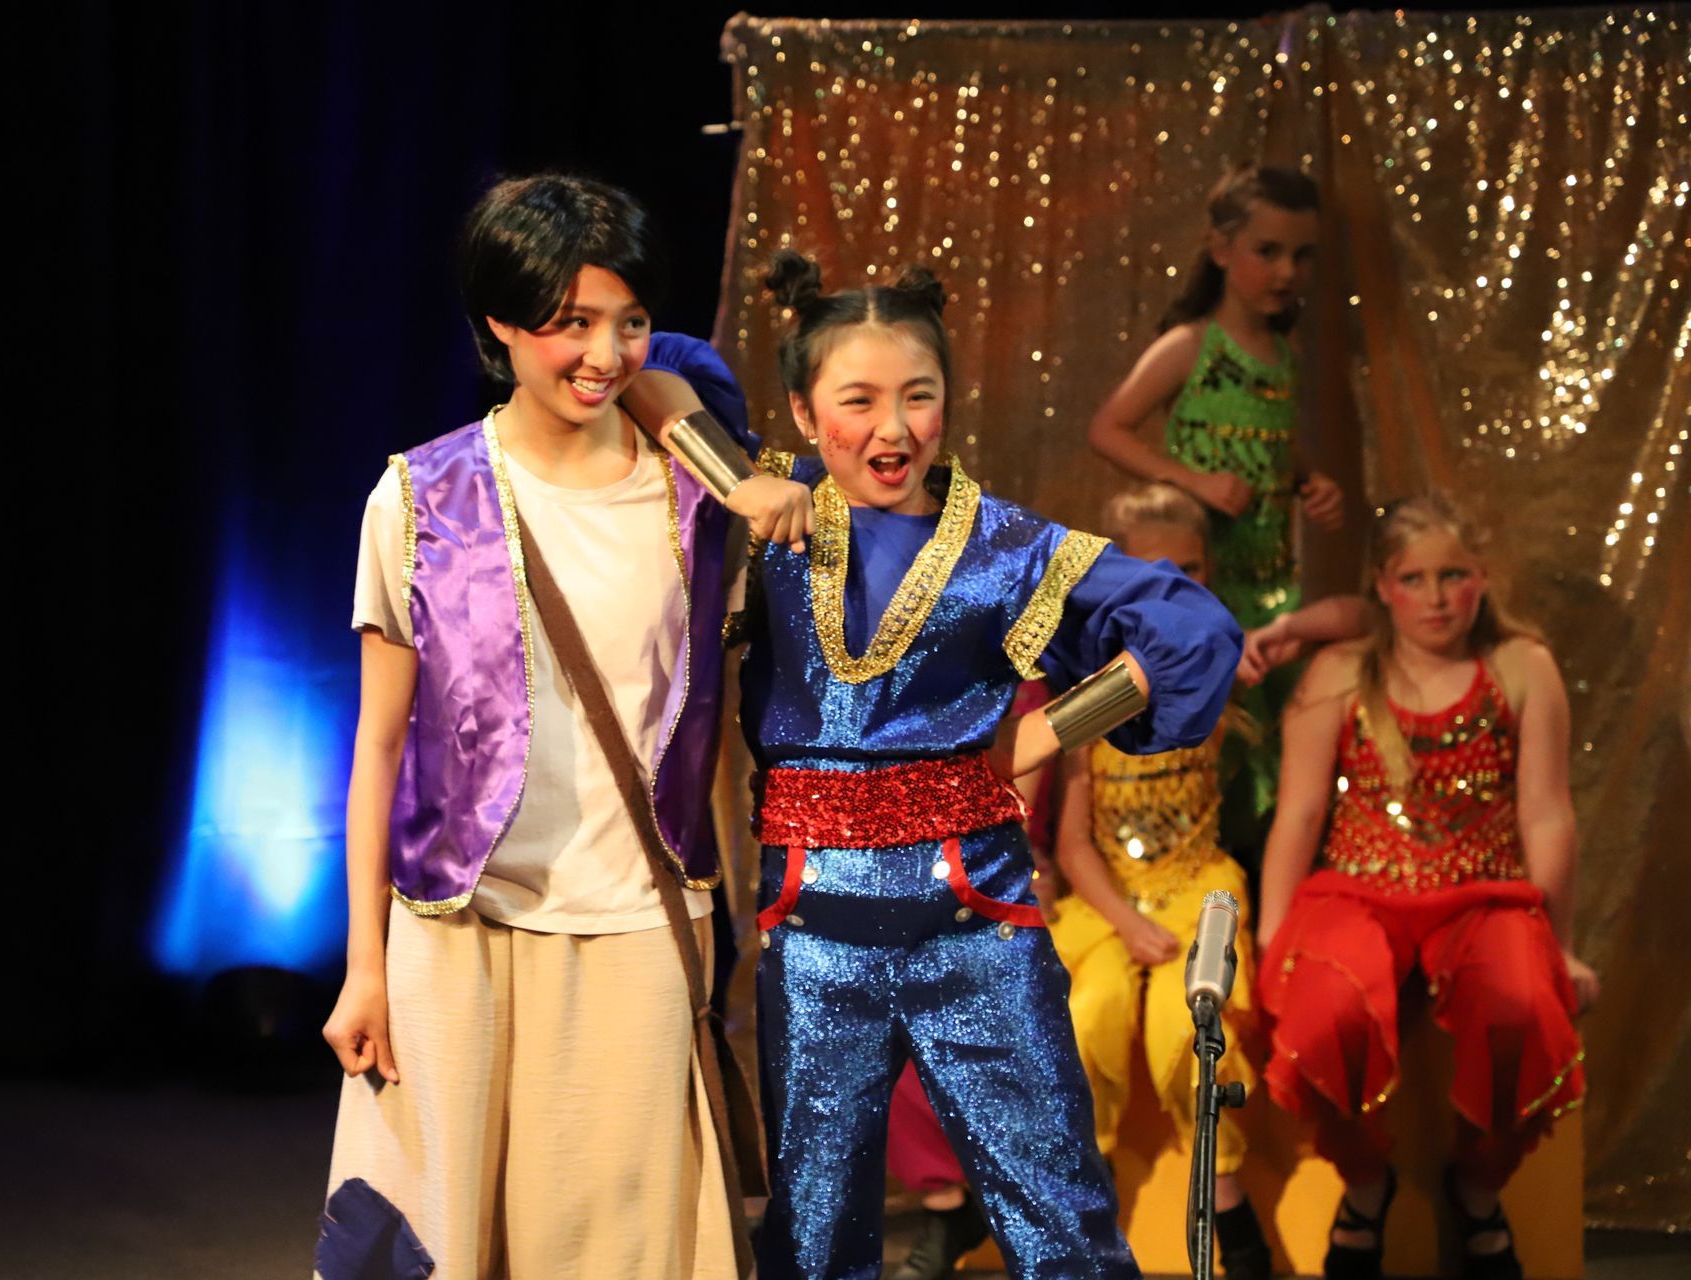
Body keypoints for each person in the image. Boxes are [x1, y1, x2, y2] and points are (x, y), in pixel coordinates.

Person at [314, 172, 811, 1280]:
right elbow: (379, 749)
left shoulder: (698, 505)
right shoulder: (419, 499)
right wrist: (366, 966)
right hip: (461, 928)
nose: (605, 352)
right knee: (454, 1240)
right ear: (500, 321)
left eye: (628, 321)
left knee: (625, 1248)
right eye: (570, 323)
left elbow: (684, 393)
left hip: (637, 919)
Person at [737, 248, 1242, 1279]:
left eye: (919, 397)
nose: (892, 428)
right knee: (814, 1230)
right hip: (815, 919)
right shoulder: (766, 518)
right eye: (859, 400)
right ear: (801, 409)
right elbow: (667, 389)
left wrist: (1045, 733)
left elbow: (1190, 631)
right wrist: (735, 479)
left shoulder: (1004, 544)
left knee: (1059, 1216)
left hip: (972, 916)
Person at [1256, 494, 1598, 1280]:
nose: (1437, 597)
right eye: (1415, 578)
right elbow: (1300, 812)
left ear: (1482, 578)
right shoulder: (1339, 672)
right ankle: (1365, 1183)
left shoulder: (1522, 667)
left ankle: (1478, 1187)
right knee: (1324, 1011)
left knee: (1521, 1009)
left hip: (1486, 895)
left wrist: (1562, 947)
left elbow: (1548, 815)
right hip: (1355, 893)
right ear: (1382, 584)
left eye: (1454, 575)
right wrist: (1274, 936)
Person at [1046, 483, 1272, 1280]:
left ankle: (1234, 1217)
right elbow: (1073, 842)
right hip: (1106, 899)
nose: (1175, 591)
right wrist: (1126, 920)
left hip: (1196, 885)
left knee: (1191, 1032)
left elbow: (1346, 627)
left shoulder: (1219, 663)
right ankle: (1087, 1203)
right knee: (1087, 1014)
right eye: (1152, 573)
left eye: (1191, 572)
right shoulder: (1086, 693)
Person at [1087, 164, 1345, 855]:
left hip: (1275, 587)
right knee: (1217, 757)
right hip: (1204, 586)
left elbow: (1269, 446)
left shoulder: (1284, 356)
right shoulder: (1191, 347)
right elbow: (1107, 428)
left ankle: (1266, 909)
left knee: (1286, 760)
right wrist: (1191, 481)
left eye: (1301, 255)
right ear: (1221, 249)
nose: (1287, 270)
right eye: (1268, 251)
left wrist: (1308, 481)